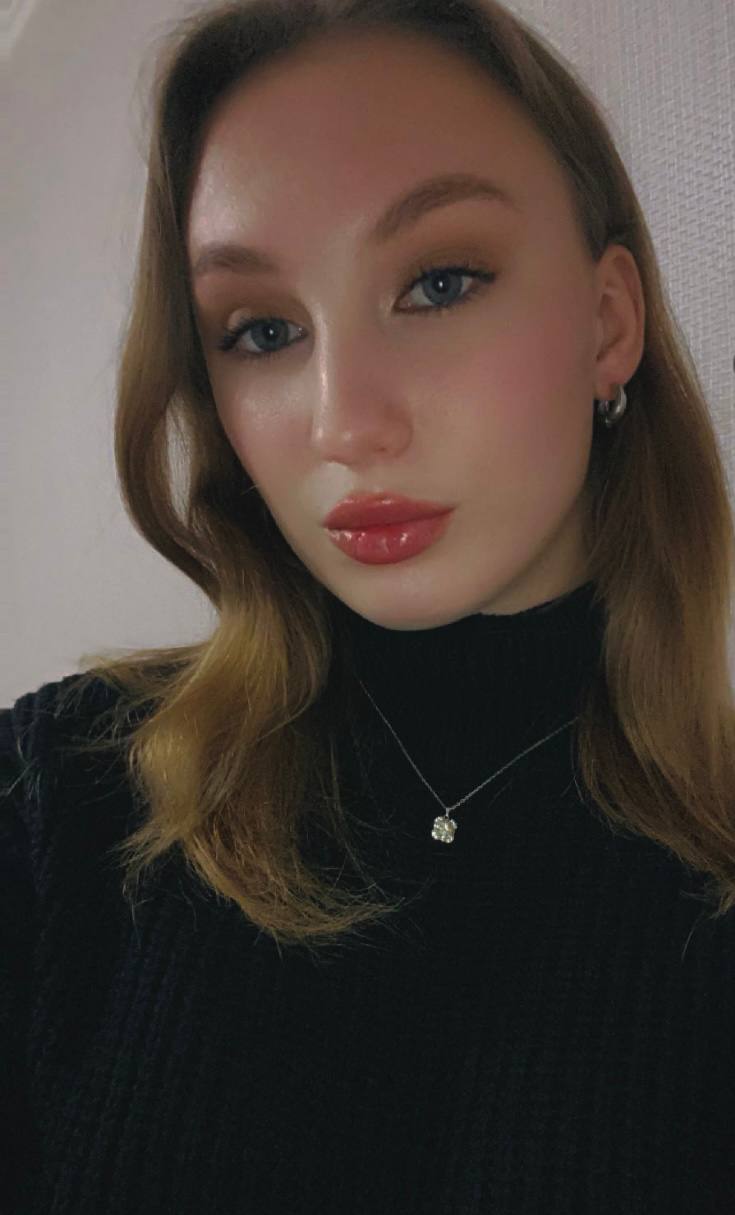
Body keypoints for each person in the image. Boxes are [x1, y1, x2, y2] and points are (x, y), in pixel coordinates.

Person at [2, 1, 734, 1211]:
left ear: (609, 323)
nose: (345, 423)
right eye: (262, 330)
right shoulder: (60, 798)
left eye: (440, 282)